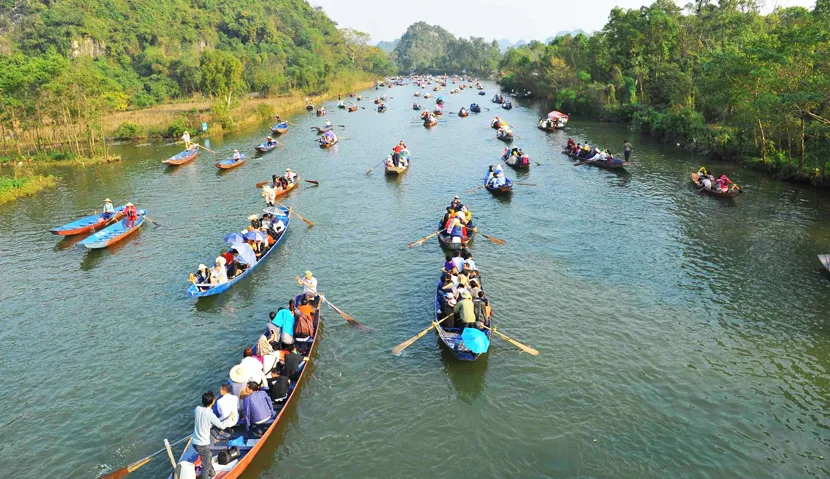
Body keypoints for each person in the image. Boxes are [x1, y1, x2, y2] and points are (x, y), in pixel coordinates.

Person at [192, 391, 235, 479]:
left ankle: (212, 473)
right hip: (203, 444)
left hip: (194, 442)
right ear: (213, 401)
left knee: (207, 459)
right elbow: (221, 425)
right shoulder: (210, 415)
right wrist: (229, 417)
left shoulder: (197, 409)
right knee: (205, 468)